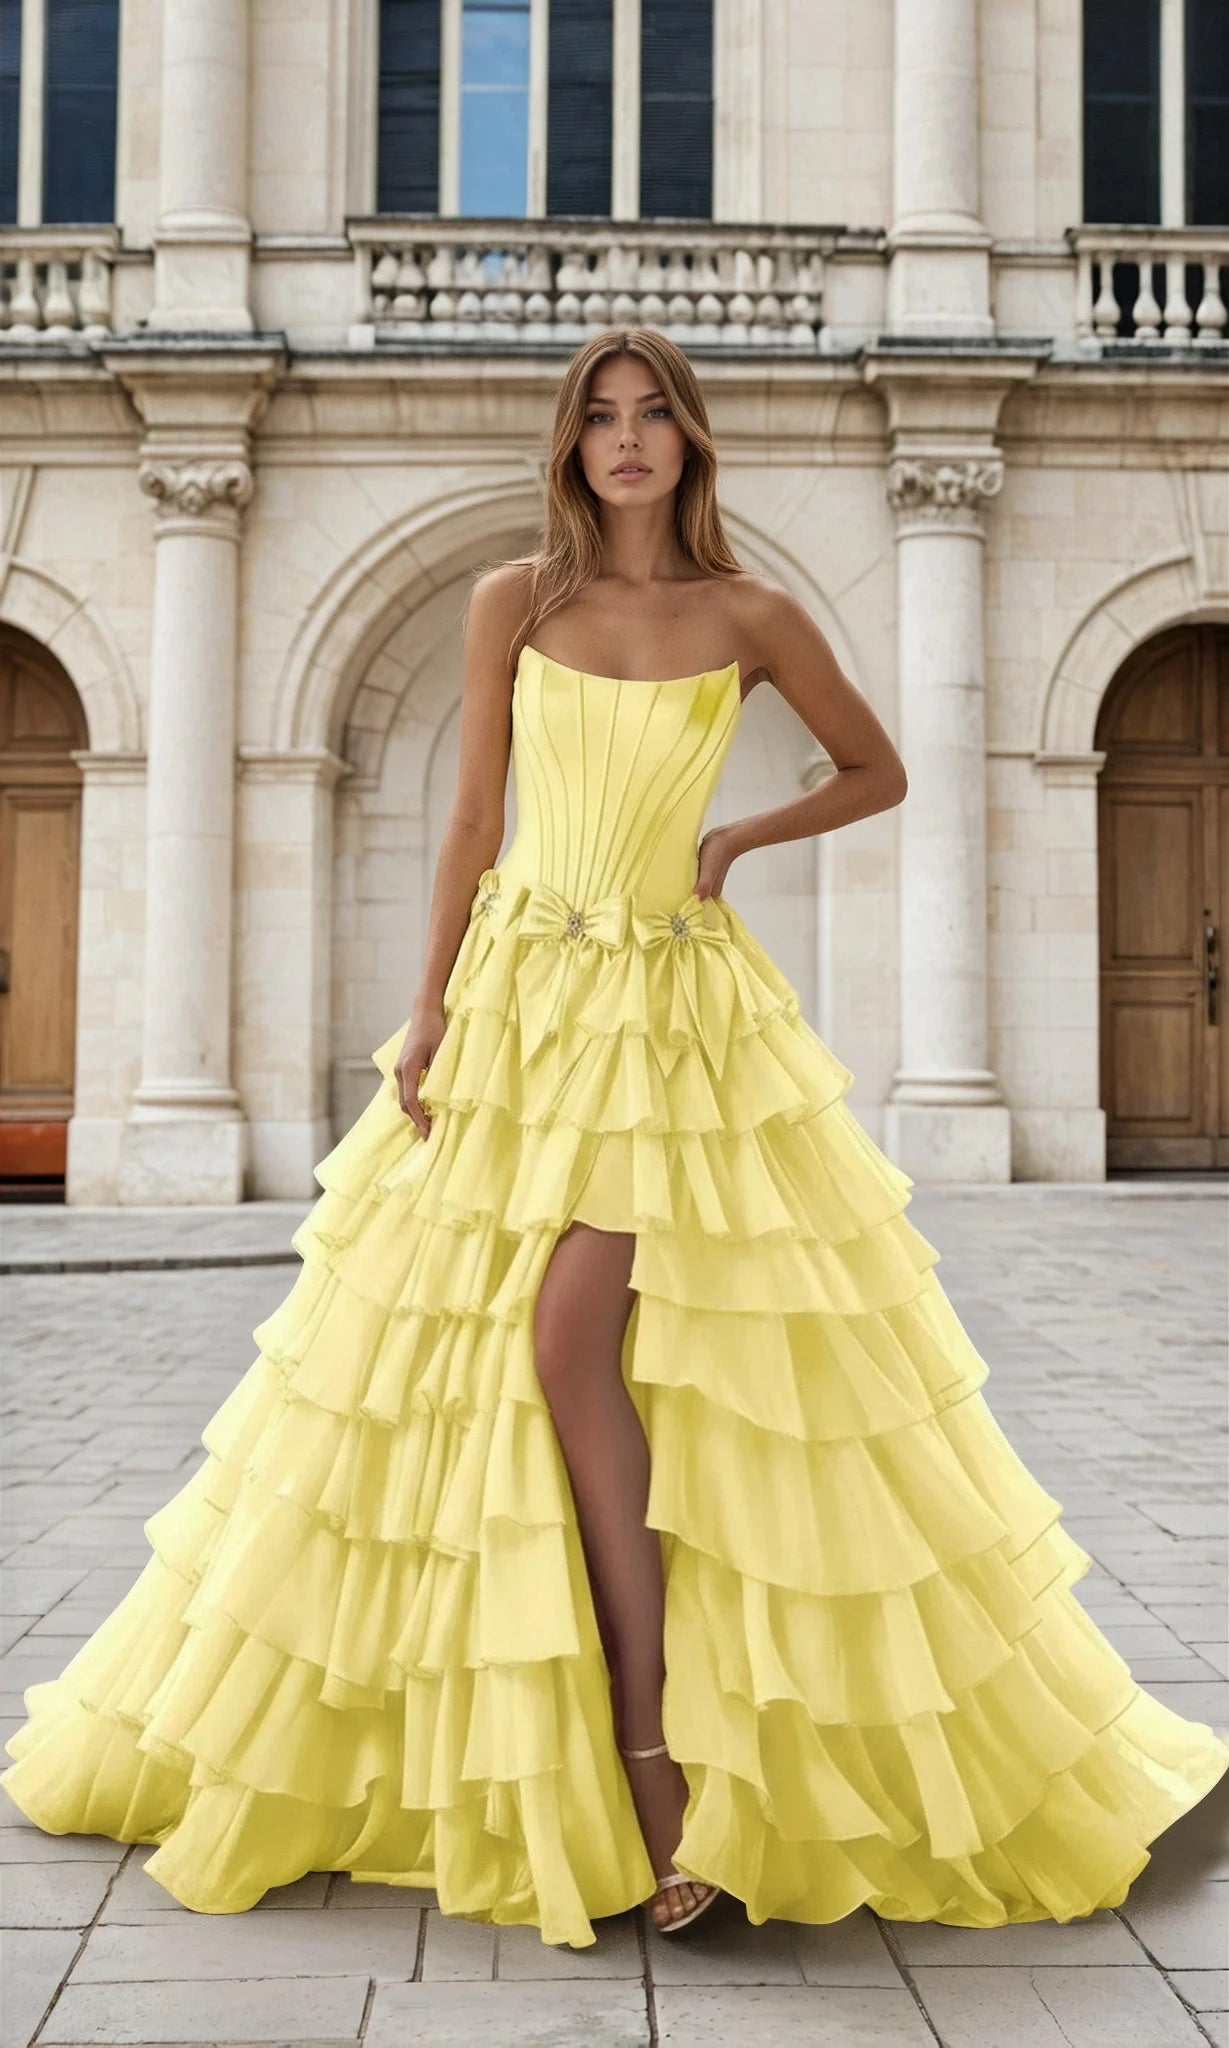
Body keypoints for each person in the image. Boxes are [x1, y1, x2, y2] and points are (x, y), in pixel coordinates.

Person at [3, 328, 1227, 1947]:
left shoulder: (750, 612)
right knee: (477, 1372)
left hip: (677, 1020)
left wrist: (739, 832)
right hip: (523, 1004)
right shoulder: (514, 600)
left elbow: (879, 767)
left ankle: (663, 1769)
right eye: (601, 417)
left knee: (575, 1345)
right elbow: (471, 819)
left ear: (689, 440)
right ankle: (618, 1756)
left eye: (653, 416)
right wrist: (429, 1010)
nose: (627, 441)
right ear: (570, 443)